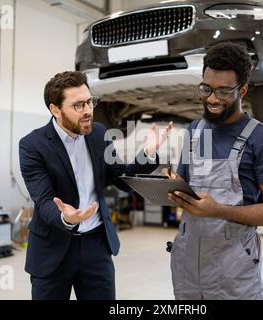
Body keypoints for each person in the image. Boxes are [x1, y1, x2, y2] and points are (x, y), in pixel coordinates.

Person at [19, 71, 172, 300]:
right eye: (78, 105)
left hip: (96, 245)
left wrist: (148, 152)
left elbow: (121, 180)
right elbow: (43, 200)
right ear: (55, 109)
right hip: (53, 248)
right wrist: (67, 218)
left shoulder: (98, 134)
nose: (88, 110)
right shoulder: (33, 145)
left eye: (90, 102)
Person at [167, 42, 263, 300]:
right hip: (188, 266)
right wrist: (172, 186)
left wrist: (219, 210)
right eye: (206, 88)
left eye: (222, 91)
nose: (211, 98)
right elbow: (185, 184)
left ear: (242, 90)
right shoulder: (194, 131)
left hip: (234, 271)